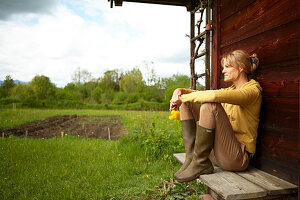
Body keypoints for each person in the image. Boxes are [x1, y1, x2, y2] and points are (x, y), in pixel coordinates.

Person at [170, 50, 262, 183]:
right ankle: (191, 158)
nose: (223, 70)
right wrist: (178, 92)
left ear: (241, 67)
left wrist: (182, 97)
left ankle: (200, 163)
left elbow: (213, 96)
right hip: (218, 153)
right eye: (223, 67)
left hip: (236, 158)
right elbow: (201, 93)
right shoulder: (230, 90)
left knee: (210, 106)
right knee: (186, 103)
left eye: (227, 66)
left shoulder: (253, 91)